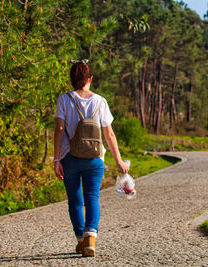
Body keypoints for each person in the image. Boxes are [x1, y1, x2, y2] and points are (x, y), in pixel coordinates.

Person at [53, 61, 129, 257]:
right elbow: (109, 134)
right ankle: (90, 240)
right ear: (90, 79)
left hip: (69, 158)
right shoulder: (100, 101)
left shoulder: (64, 100)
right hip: (95, 159)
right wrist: (119, 160)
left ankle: (80, 239)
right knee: (92, 198)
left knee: (75, 201)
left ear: (71, 80)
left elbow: (59, 129)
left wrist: (56, 160)